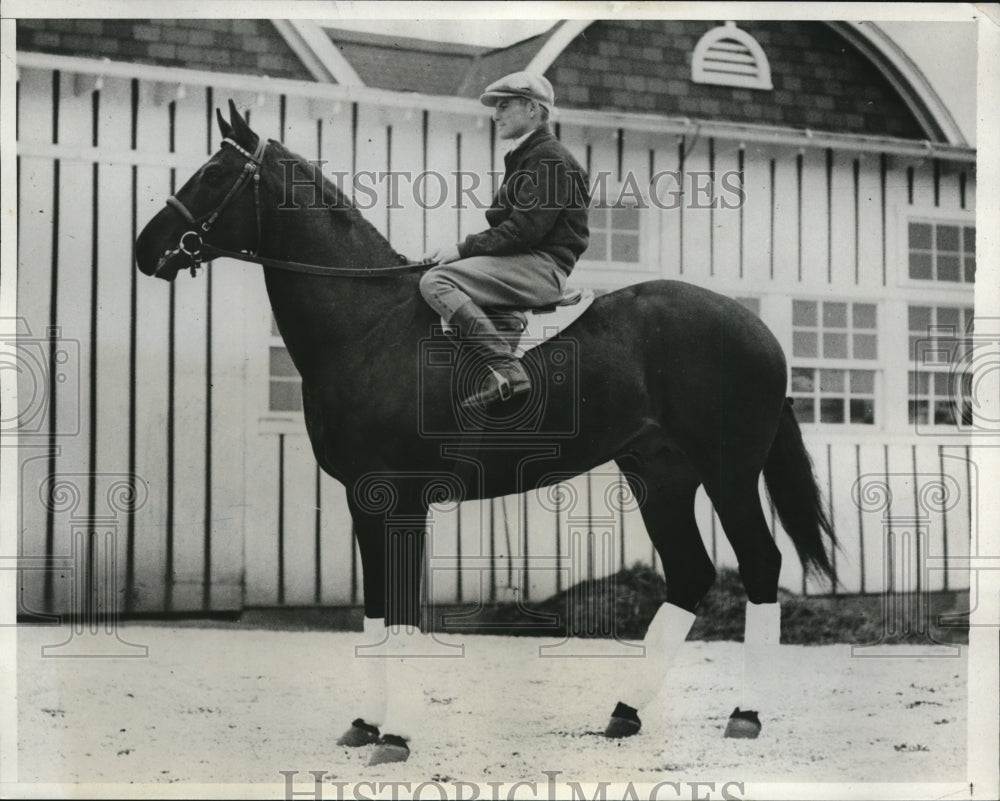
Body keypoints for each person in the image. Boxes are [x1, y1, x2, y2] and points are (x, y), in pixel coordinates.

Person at [420, 71, 590, 411]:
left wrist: (460, 249)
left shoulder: (549, 158)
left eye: (504, 105)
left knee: (436, 280)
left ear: (531, 108)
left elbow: (523, 231)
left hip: (540, 268)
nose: (495, 115)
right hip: (523, 263)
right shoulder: (527, 156)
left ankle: (508, 370)